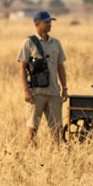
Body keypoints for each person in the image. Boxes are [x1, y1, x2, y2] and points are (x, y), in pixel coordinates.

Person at [16, 10, 68, 144]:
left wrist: (64, 88)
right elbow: (22, 68)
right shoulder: (28, 43)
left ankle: (57, 156)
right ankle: (28, 156)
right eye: (46, 22)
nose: (49, 24)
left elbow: (60, 66)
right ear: (36, 24)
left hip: (53, 92)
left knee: (57, 129)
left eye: (50, 22)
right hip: (36, 92)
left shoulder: (56, 43)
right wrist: (26, 90)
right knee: (32, 128)